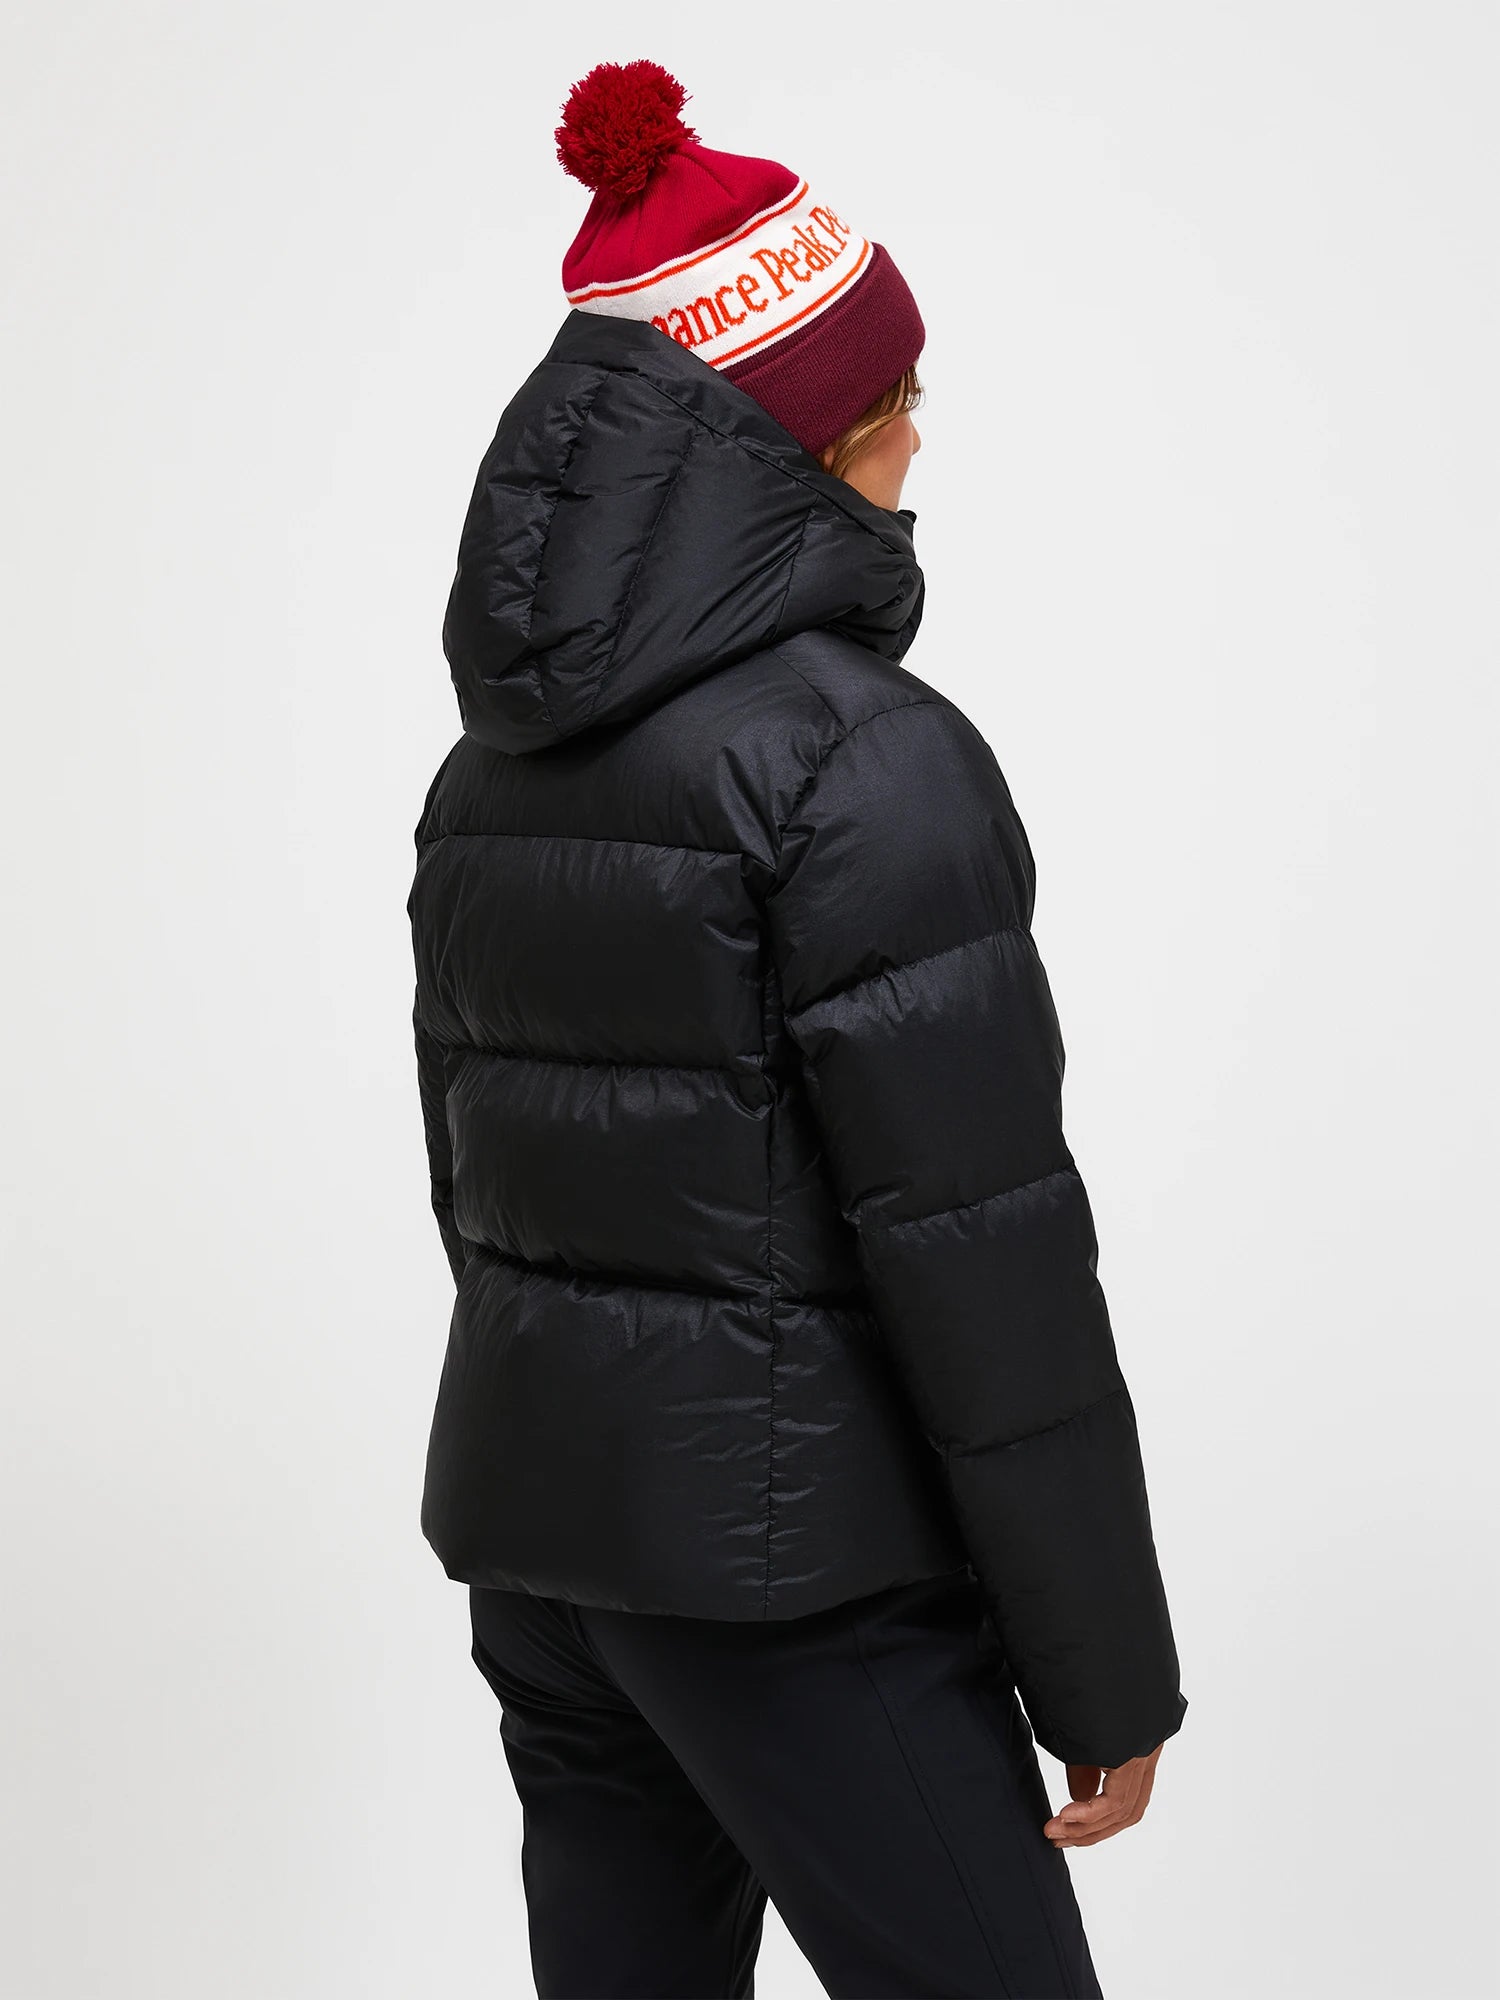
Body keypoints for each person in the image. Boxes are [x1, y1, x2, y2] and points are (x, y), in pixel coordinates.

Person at [409, 58, 1186, 2000]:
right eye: (897, 397)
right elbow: (983, 1245)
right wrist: (1101, 1662)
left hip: (552, 1552)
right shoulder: (865, 760)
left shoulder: (491, 768)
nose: (920, 440)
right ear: (806, 434)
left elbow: (478, 1188)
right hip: (799, 1581)